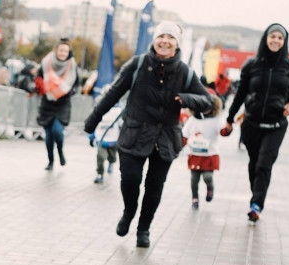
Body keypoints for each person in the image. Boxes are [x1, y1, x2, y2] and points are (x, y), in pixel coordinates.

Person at [83, 21, 212, 248]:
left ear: (176, 44)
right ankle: (129, 211)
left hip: (165, 140)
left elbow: (207, 102)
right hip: (134, 133)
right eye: (162, 36)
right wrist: (93, 121)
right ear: (155, 40)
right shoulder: (138, 64)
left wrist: (186, 99)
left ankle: (144, 229)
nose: (165, 41)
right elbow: (114, 93)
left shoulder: (186, 72)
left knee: (154, 188)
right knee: (130, 180)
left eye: (171, 38)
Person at [222, 23, 289, 222]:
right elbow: (240, 94)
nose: (276, 40)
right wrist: (230, 119)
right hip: (251, 124)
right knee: (254, 164)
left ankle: (256, 205)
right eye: (272, 36)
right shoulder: (251, 64)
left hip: (276, 125)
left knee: (264, 164)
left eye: (280, 38)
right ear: (265, 38)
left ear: (285, 41)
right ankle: (256, 194)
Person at [35, 38, 80, 170]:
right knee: (48, 135)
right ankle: (51, 161)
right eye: (61, 50)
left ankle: (60, 152)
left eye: (66, 51)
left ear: (68, 52)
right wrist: (39, 87)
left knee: (57, 131)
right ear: (56, 50)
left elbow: (77, 84)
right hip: (47, 102)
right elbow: (38, 78)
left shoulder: (72, 65)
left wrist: (67, 91)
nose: (63, 53)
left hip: (63, 103)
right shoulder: (46, 62)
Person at [182, 94, 224, 208]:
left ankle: (210, 187)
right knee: (194, 180)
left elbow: (222, 131)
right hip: (195, 153)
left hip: (209, 154)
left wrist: (227, 129)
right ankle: (194, 197)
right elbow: (184, 135)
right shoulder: (192, 120)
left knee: (207, 177)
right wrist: (178, 146)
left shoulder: (215, 120)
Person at [89, 101, 122, 184]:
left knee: (112, 157)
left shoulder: (118, 111)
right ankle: (100, 174)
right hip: (101, 138)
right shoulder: (99, 109)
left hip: (113, 140)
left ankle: (111, 162)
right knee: (101, 157)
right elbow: (93, 123)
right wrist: (91, 137)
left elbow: (122, 125)